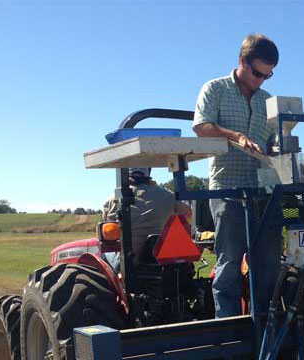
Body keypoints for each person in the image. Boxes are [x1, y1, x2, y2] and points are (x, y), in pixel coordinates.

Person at [192, 34, 282, 318]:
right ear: (242, 61)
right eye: (257, 73)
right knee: (229, 263)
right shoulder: (215, 89)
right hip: (227, 191)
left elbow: (276, 140)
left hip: (261, 193)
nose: (261, 80)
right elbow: (201, 127)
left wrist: (279, 148)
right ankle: (228, 331)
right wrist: (237, 137)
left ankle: (263, 329)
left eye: (267, 76)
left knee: (267, 265)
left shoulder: (269, 102)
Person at [102, 168, 190, 266]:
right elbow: (187, 212)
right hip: (160, 259)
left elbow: (107, 222)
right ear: (148, 173)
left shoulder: (113, 199)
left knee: (103, 252)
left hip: (129, 262)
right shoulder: (167, 195)